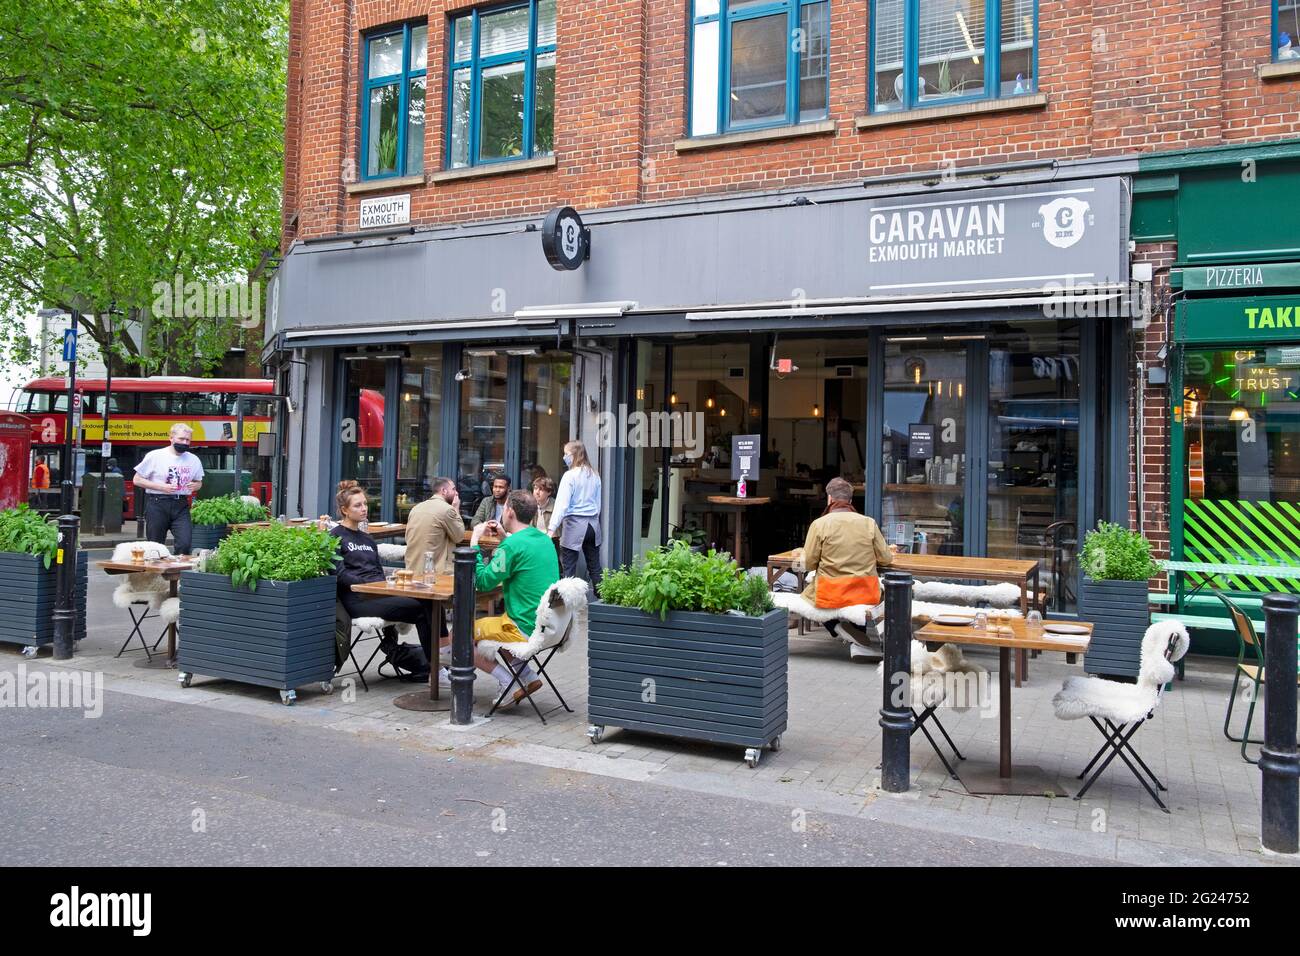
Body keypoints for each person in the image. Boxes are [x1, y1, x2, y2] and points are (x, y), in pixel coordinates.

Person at [331, 481, 443, 686]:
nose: (364, 508)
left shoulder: (367, 539)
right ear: (344, 510)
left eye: (364, 503)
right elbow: (340, 575)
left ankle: (439, 665)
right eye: (357, 505)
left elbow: (376, 571)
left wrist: (390, 582)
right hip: (357, 599)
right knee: (421, 609)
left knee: (432, 603)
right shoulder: (335, 537)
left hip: (379, 593)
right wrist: (371, 586)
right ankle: (435, 670)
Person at [462, 490, 559, 702]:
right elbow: (521, 555)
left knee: (462, 635)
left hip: (522, 626)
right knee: (498, 626)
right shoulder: (545, 540)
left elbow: (483, 582)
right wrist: (506, 539)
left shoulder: (512, 546)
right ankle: (528, 676)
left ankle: (508, 683)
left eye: (505, 507)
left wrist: (475, 544)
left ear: (510, 512)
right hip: (549, 626)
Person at [800, 476, 897, 647]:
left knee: (807, 600)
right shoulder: (869, 523)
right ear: (850, 500)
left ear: (829, 499)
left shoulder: (819, 524)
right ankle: (859, 636)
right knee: (858, 597)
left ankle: (835, 626)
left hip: (831, 592)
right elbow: (886, 559)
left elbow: (807, 564)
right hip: (865, 591)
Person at [132, 424, 204, 554]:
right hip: (158, 503)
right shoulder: (155, 456)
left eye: (188, 440)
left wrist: (196, 486)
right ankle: (156, 573)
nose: (185, 442)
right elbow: (136, 480)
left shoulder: (194, 459)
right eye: (181, 439)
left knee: (185, 543)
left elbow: (199, 482)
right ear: (171, 438)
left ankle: (176, 573)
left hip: (181, 504)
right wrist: (161, 487)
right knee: (155, 546)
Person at [547, 439, 602, 586]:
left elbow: (561, 505)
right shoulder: (594, 474)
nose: (564, 457)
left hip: (574, 525)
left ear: (575, 454)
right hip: (593, 526)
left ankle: (566, 604)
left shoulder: (569, 475)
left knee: (569, 570)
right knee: (595, 567)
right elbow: (598, 504)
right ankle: (604, 600)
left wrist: (551, 528)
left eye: (566, 454)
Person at [404, 476, 465, 576]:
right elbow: (459, 536)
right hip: (435, 572)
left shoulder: (416, 508)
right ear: (444, 491)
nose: (456, 493)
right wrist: (455, 509)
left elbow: (407, 537)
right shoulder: (447, 509)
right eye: (453, 489)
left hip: (413, 569)